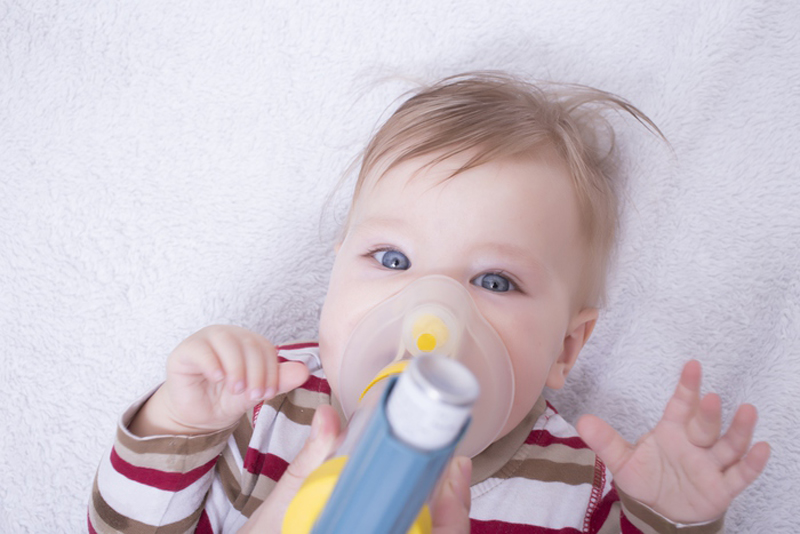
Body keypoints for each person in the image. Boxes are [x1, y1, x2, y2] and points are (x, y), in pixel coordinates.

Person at [88, 72, 770, 533]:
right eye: (392, 260)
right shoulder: (266, 409)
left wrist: (665, 517)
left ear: (566, 347)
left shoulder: (576, 486)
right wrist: (178, 425)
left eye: (495, 281)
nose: (431, 316)